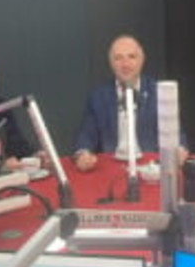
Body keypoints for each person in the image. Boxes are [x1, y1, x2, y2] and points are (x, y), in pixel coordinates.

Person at [72, 35, 187, 172]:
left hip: (151, 167)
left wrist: (179, 150)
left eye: (131, 57)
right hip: (113, 167)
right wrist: (82, 153)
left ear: (142, 60)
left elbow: (176, 134)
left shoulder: (158, 92)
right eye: (118, 58)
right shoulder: (99, 96)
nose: (125, 64)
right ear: (111, 63)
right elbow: (86, 134)